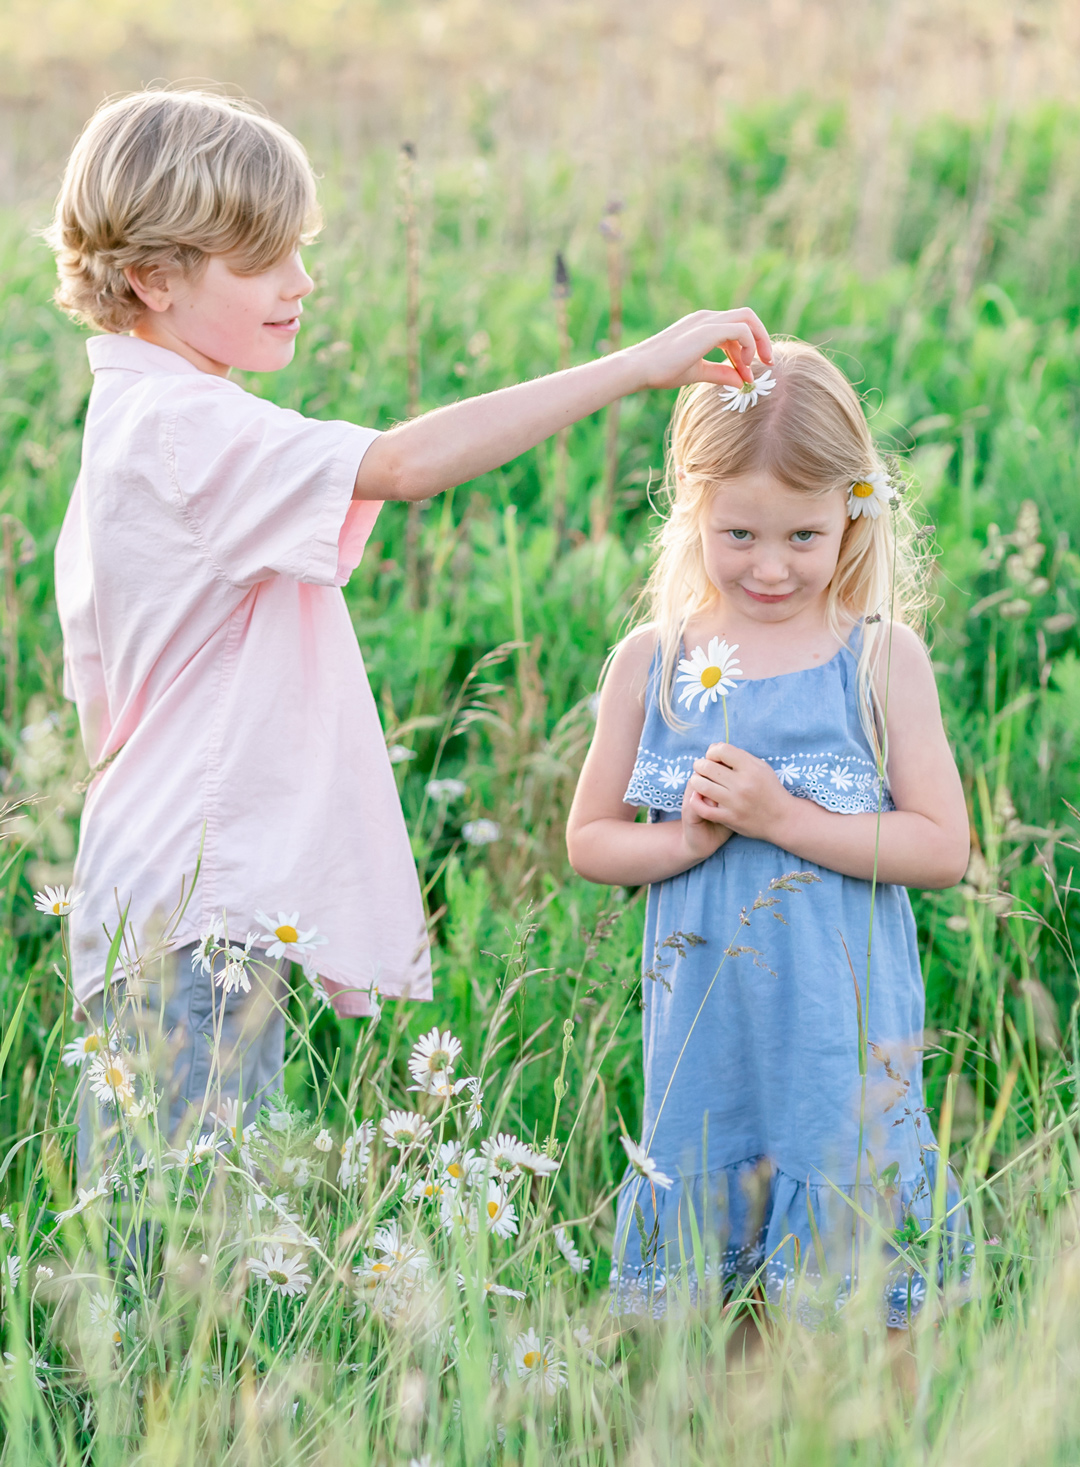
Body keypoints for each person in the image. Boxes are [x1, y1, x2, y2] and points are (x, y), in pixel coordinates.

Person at [45, 87, 774, 1166]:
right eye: (260, 260)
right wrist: (635, 365)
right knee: (191, 1259)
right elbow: (400, 465)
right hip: (193, 915)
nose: (302, 282)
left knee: (181, 1250)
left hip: (174, 900)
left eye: (300, 248)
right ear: (151, 277)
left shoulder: (144, 417)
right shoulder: (183, 428)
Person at [566, 339, 971, 1332]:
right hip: (711, 1044)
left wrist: (782, 819)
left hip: (837, 1052)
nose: (772, 566)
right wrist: (680, 848)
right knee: (722, 1318)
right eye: (738, 532)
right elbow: (590, 838)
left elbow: (939, 848)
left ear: (853, 512)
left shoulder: (877, 662)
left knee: (864, 1315)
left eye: (803, 535)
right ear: (692, 505)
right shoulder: (653, 662)